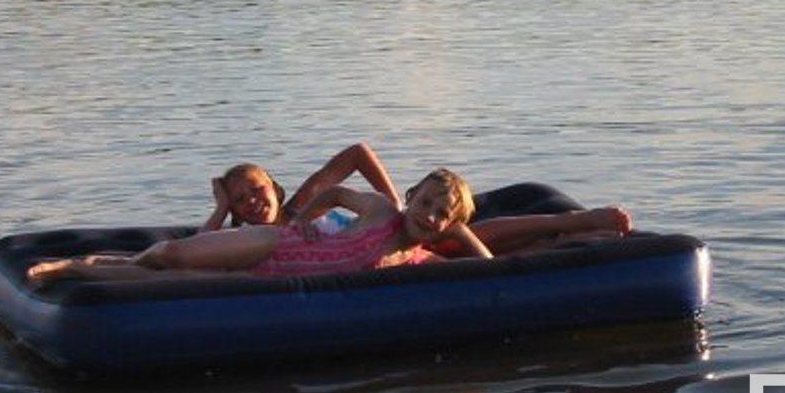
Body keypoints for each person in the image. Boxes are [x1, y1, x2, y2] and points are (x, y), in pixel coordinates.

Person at [27, 168, 488, 285]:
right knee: (171, 254)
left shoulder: (414, 259)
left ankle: (78, 270)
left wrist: (459, 230)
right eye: (425, 203)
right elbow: (334, 193)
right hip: (274, 243)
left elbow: (487, 267)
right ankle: (81, 262)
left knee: (177, 278)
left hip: (268, 278)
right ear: (411, 196)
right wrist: (303, 220)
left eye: (441, 214)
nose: (429, 215)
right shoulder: (381, 210)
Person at [201, 142, 402, 233]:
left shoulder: (304, 205)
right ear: (235, 213)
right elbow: (196, 253)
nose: (252, 200)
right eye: (239, 200)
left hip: (378, 238)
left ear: (274, 189)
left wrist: (394, 205)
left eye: (256, 189)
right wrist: (221, 208)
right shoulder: (242, 239)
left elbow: (357, 154)